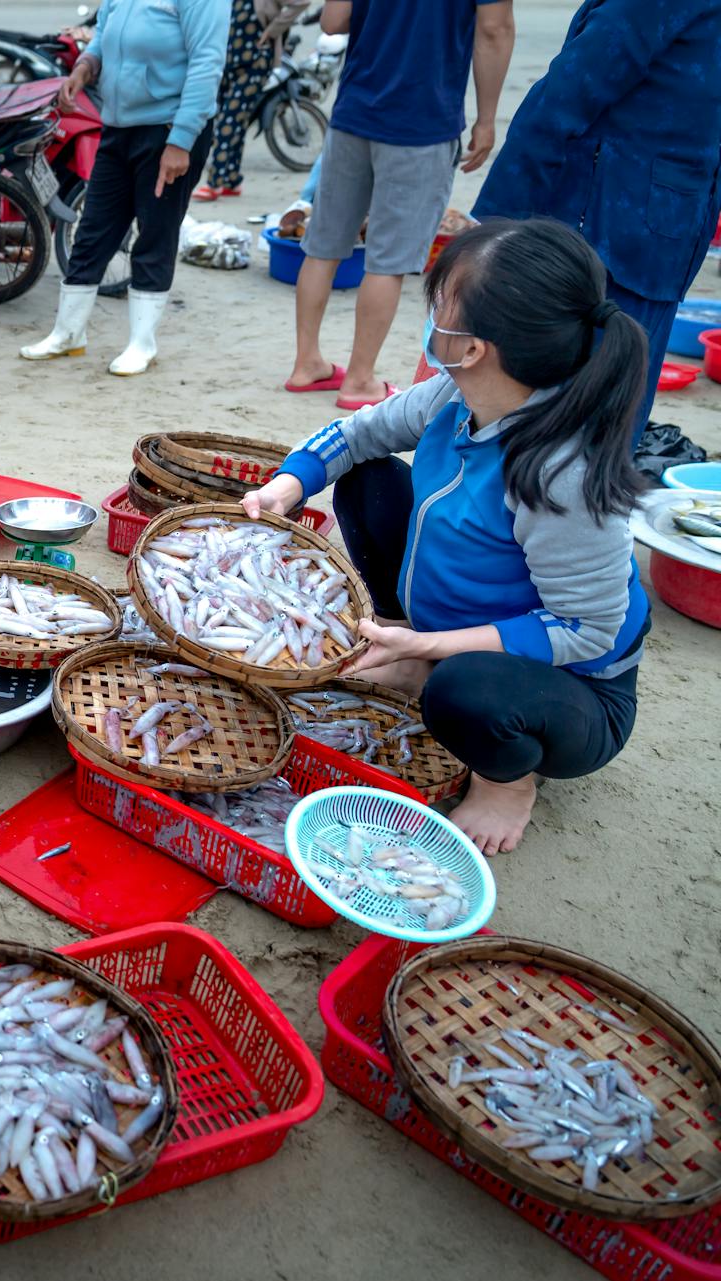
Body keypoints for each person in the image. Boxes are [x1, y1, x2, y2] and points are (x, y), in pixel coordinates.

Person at [244, 220, 650, 856]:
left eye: (441, 310)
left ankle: (507, 780)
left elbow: (585, 630)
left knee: (464, 693)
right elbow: (358, 434)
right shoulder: (453, 395)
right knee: (366, 479)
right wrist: (288, 486)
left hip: (570, 691)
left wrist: (438, 647)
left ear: (475, 348)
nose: (432, 321)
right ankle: (412, 651)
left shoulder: (561, 474)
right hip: (458, 620)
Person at [472, 0, 721, 449]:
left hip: (664, 238)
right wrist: (493, 234)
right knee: (561, 431)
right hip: (604, 236)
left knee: (611, 427)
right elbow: (561, 99)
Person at [283, 0, 514, 412]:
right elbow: (494, 30)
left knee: (324, 245)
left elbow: (333, 21)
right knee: (388, 260)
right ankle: (359, 379)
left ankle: (306, 364)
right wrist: (486, 118)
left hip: (353, 113)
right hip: (421, 121)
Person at [21, 0, 229, 376]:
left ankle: (142, 343)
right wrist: (84, 68)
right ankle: (68, 333)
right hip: (118, 124)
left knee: (154, 233)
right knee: (93, 228)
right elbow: (103, 36)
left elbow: (206, 64)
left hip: (169, 128)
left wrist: (181, 141)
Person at [194, 0, 289, 203]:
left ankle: (214, 182)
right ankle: (231, 180)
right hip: (226, 62)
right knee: (233, 120)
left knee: (230, 119)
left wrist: (272, 31)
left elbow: (302, 3)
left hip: (255, 62)